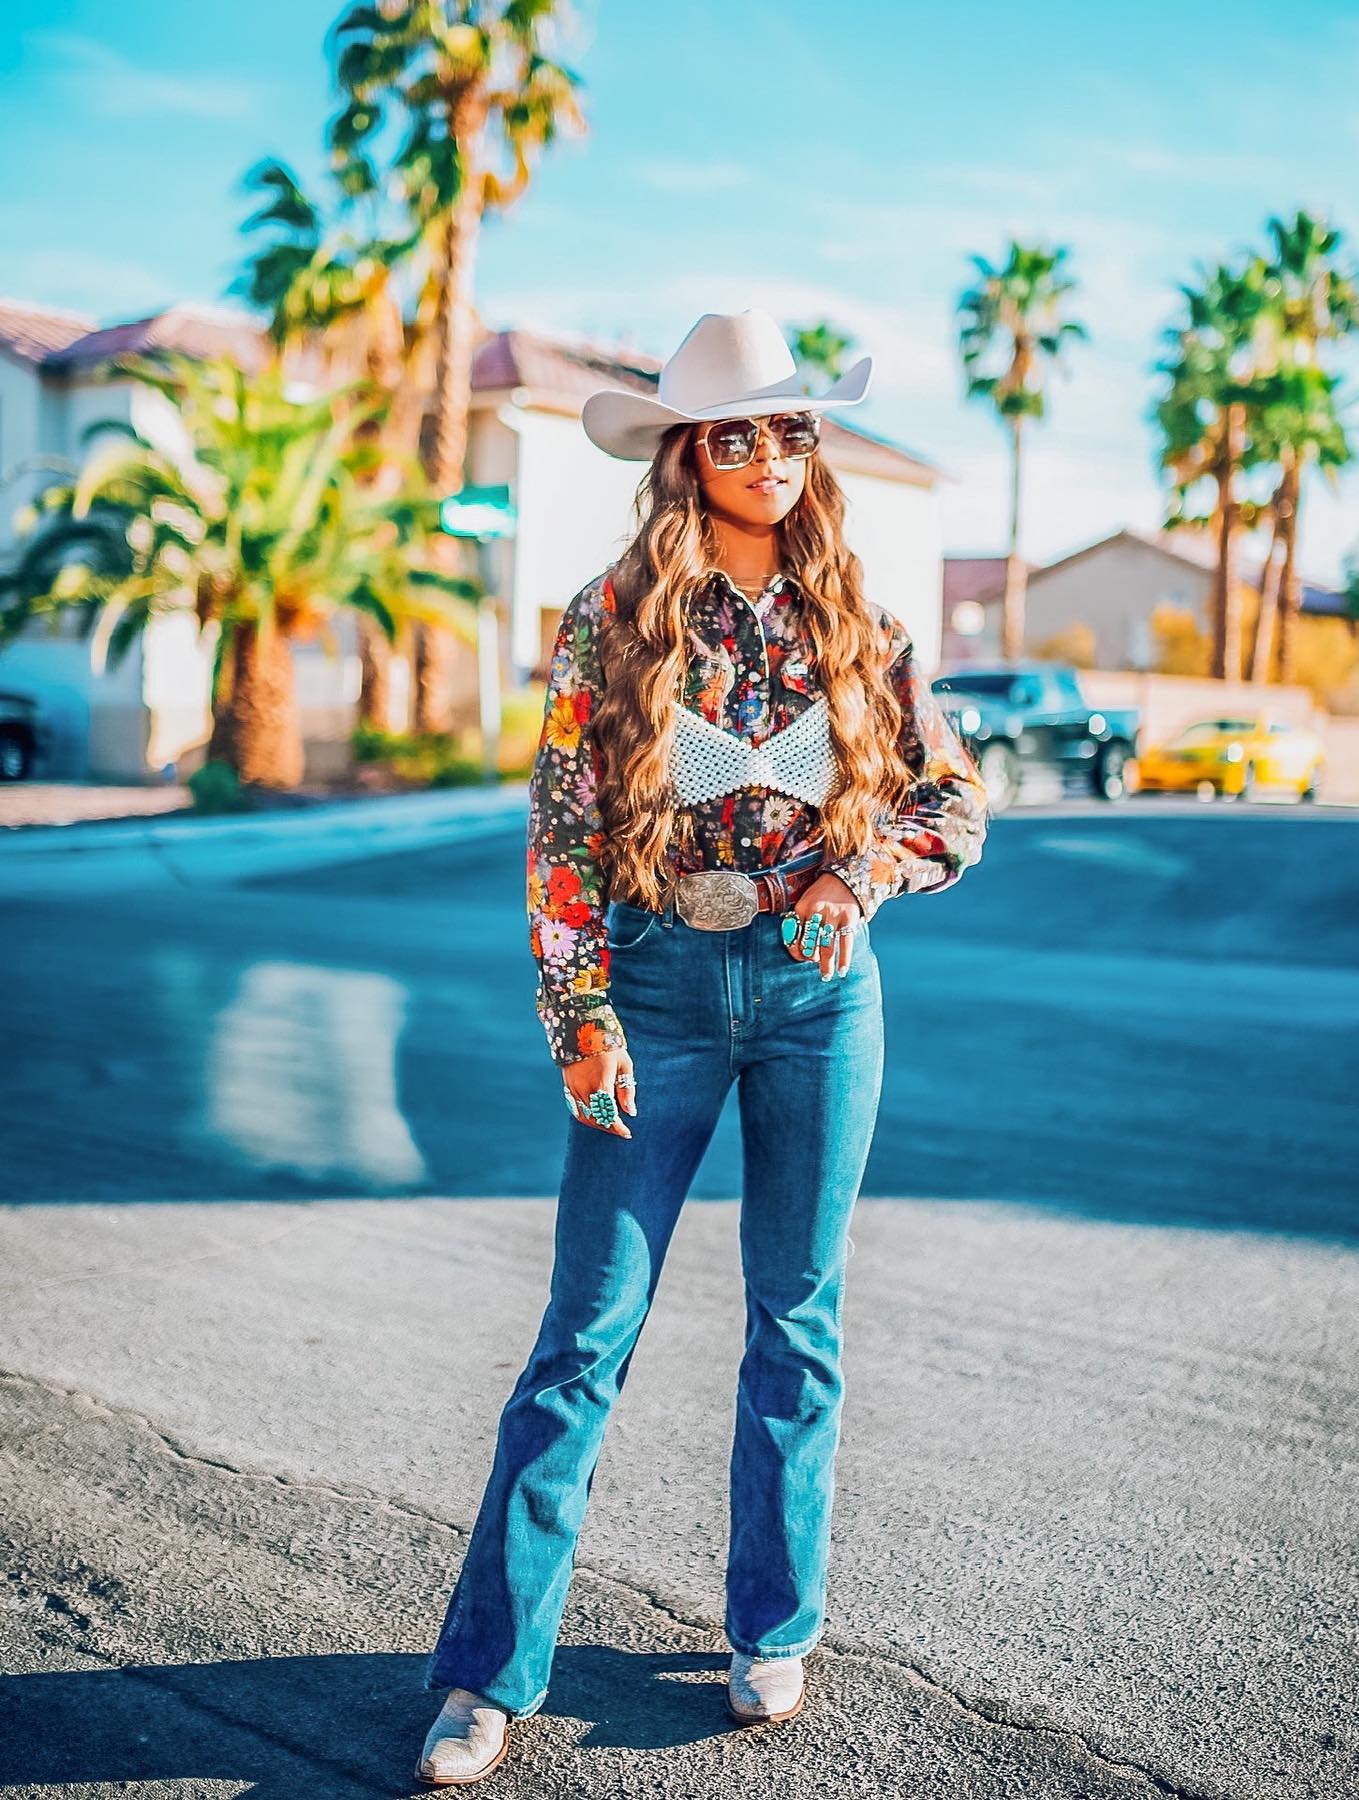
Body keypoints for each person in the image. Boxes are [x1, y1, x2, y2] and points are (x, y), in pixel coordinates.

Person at [415, 308, 989, 1785]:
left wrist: (859, 877)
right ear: (688, 453)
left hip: (819, 1001)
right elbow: (558, 841)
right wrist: (579, 1015)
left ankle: (770, 1628)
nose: (773, 455)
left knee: (797, 1329)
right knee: (581, 1343)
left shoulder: (863, 622)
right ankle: (486, 1677)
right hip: (659, 988)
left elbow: (952, 804)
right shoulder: (610, 621)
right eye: (740, 431)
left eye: (794, 428)